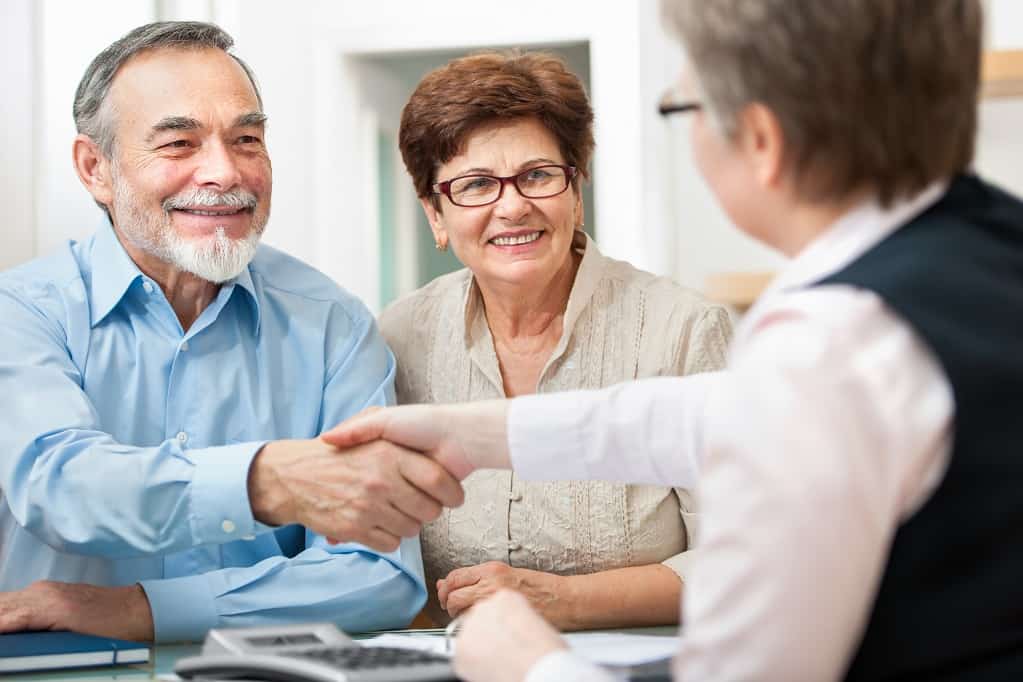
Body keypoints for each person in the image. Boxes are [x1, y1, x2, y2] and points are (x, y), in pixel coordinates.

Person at [324, 0, 1023, 680]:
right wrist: (480, 434)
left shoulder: (822, 340)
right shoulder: (989, 247)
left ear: (760, 139)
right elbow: (713, 415)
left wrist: (529, 666)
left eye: (682, 107)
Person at [0, 21, 463, 644]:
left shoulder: (333, 323)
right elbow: (63, 487)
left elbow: (377, 573)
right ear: (95, 168)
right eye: (179, 144)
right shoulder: (21, 312)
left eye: (247, 138)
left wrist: (143, 610)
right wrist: (267, 480)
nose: (224, 171)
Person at [383, 51, 731, 628]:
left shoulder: (684, 331)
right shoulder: (395, 341)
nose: (513, 206)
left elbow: (741, 557)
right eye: (475, 185)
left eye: (538, 176)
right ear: (435, 215)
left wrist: (563, 602)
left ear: (576, 190)